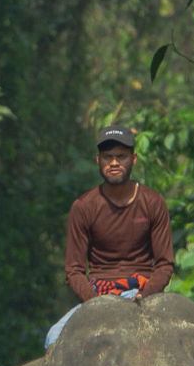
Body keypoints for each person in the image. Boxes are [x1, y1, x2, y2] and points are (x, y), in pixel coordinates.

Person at [45, 124, 176, 349]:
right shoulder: (84, 207)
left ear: (133, 159)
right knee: (53, 338)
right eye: (108, 157)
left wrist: (144, 296)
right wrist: (95, 302)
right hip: (99, 294)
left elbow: (165, 264)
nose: (114, 163)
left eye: (121, 156)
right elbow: (74, 270)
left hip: (142, 292)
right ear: (98, 160)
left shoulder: (153, 202)